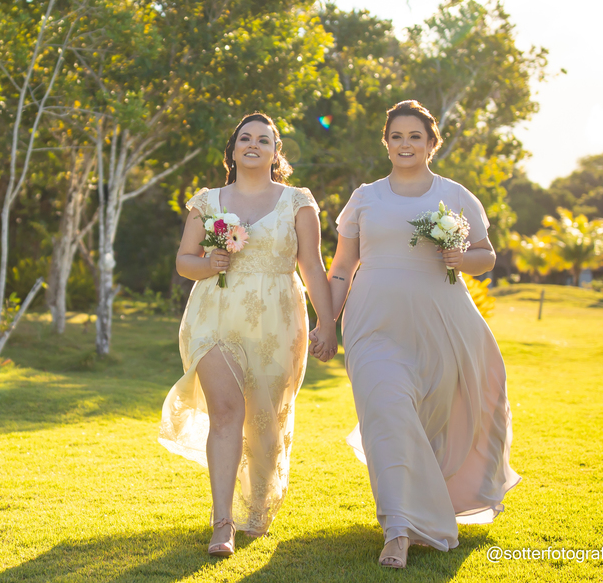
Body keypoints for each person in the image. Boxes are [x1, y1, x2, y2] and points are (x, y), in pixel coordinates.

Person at [311, 100, 521, 569]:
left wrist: (461, 259)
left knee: (427, 425)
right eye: (397, 136)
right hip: (372, 325)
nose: (405, 144)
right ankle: (399, 530)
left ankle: (426, 504)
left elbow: (486, 254)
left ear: (431, 143)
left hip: (442, 326)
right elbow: (342, 267)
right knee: (387, 414)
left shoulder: (456, 195)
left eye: (415, 137)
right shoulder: (365, 197)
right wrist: (326, 322)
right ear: (386, 143)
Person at [160, 113, 337, 557]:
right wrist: (209, 264)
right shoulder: (208, 201)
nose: (253, 144)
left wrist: (328, 321)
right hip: (215, 314)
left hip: (279, 321)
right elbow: (184, 261)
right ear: (234, 149)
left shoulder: (298, 201)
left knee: (264, 418)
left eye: (264, 140)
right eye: (245, 138)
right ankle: (222, 523)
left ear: (276, 153)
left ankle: (254, 507)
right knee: (225, 411)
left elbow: (312, 265)